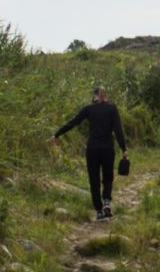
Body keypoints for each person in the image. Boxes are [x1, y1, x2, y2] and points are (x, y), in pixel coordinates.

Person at [52, 84, 129, 219]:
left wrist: (57, 134)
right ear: (106, 96)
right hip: (107, 149)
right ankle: (106, 201)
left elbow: (73, 122)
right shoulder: (112, 108)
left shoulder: (89, 109)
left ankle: (99, 211)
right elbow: (118, 130)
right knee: (107, 177)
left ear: (94, 96)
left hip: (92, 149)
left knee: (93, 179)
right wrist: (124, 149)